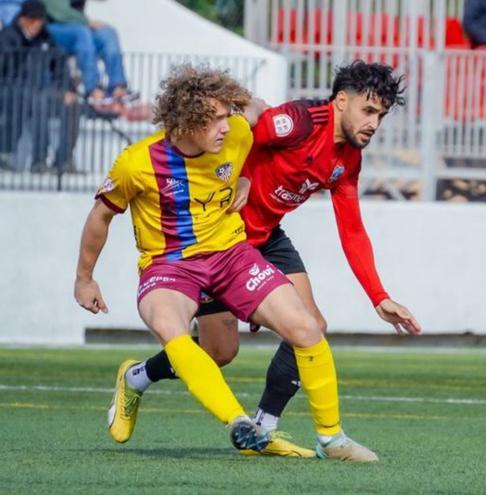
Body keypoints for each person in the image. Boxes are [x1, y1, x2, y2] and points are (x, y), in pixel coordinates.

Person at [105, 61, 418, 460]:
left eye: (382, 115)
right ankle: (137, 377)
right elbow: (244, 130)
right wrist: (246, 176)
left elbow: (352, 229)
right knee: (219, 353)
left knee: (310, 326)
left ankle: (265, 427)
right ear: (342, 101)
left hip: (267, 238)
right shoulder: (299, 123)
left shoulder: (347, 159)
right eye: (369, 110)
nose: (375, 123)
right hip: (221, 243)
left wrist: (378, 296)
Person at [0, 0, 79, 172]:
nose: (36, 24)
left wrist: (68, 89)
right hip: (13, 93)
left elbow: (60, 65)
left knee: (72, 104)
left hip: (41, 91)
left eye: (39, 20)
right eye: (32, 19)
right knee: (38, 101)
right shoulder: (7, 37)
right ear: (22, 19)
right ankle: (39, 161)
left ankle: (63, 161)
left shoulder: (46, 37)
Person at [43, 0, 136, 113]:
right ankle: (93, 89)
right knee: (81, 33)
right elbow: (60, 13)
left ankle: (118, 87)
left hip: (78, 26)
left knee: (108, 34)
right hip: (53, 28)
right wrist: (87, 22)